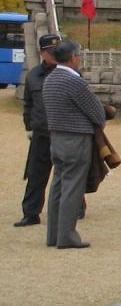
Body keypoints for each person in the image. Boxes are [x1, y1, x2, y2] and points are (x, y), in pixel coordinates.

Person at [43, 39, 111, 249]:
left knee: (58, 185)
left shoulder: (50, 79)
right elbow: (97, 113)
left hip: (57, 137)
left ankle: (54, 234)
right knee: (73, 187)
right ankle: (67, 235)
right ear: (73, 57)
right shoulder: (74, 81)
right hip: (76, 138)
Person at [15, 33, 59, 227]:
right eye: (51, 51)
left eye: (57, 50)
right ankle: (31, 213)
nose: (55, 54)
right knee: (35, 174)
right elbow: (28, 104)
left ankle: (76, 208)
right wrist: (29, 127)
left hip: (63, 132)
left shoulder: (67, 73)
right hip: (41, 133)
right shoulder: (33, 75)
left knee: (67, 173)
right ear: (42, 53)